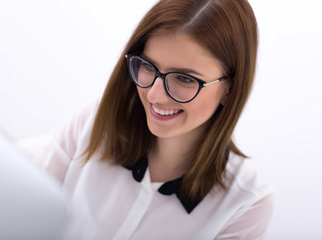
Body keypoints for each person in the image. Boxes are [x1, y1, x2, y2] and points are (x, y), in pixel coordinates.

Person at [37, 0, 273, 239]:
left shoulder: (246, 204)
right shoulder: (94, 121)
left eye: (184, 79)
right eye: (148, 66)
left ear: (230, 88)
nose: (154, 94)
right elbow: (26, 209)